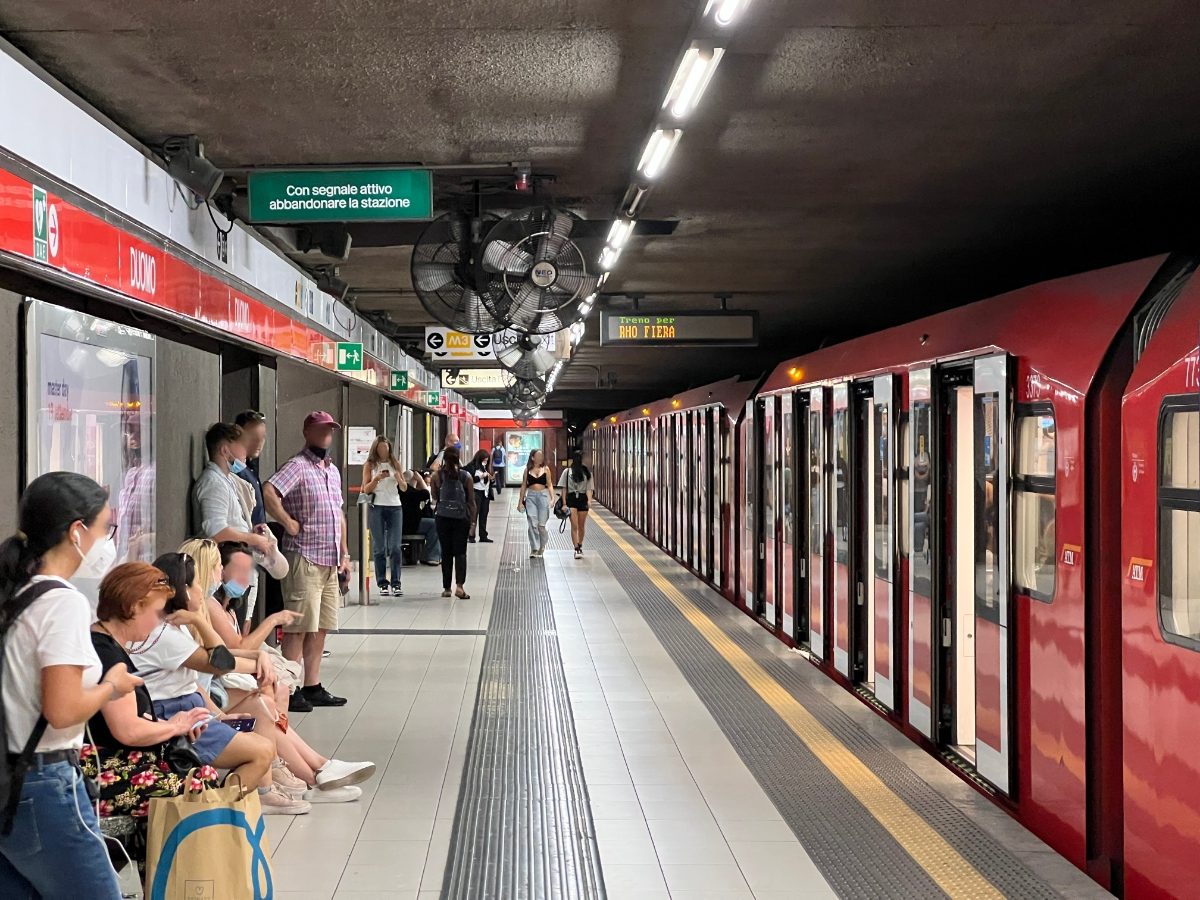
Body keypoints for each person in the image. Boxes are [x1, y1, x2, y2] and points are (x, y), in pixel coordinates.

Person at [0, 472, 142, 898]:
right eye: (105, 528)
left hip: (11, 778)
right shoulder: (62, 603)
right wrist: (111, 686)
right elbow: (61, 709)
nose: (106, 541)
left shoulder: (16, 593)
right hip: (44, 782)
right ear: (77, 531)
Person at [203, 543, 376, 803]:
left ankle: (313, 771)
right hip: (211, 688)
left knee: (276, 694)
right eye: (225, 569)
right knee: (264, 705)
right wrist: (272, 622)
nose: (243, 577)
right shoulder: (206, 607)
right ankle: (313, 774)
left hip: (216, 683)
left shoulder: (225, 608)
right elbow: (232, 651)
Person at [83, 563, 221, 868]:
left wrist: (175, 728)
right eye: (157, 613)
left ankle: (164, 878)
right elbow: (127, 730)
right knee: (199, 783)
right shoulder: (108, 655)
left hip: (110, 759)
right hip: (99, 767)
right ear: (134, 607)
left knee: (196, 774)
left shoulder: (109, 646)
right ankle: (177, 878)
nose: (159, 622)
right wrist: (174, 726)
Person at [146, 551, 304, 815]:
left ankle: (298, 774)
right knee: (261, 749)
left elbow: (195, 682)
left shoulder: (175, 626)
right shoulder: (167, 632)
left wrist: (218, 717)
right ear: (180, 589)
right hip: (176, 714)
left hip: (192, 706)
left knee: (266, 707)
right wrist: (199, 619)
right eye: (196, 584)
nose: (203, 590)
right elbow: (221, 660)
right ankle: (216, 809)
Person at [264, 411, 350, 713]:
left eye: (330, 430)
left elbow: (338, 514)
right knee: (298, 628)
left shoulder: (331, 470)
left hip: (328, 560)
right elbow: (269, 490)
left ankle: (312, 685)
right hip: (305, 557)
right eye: (321, 429)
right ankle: (289, 688)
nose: (327, 434)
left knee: (320, 627)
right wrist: (287, 522)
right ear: (307, 431)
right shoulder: (297, 466)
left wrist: (345, 554)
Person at [429, 448, 476, 600]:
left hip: (442, 518)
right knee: (460, 553)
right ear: (458, 458)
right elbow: (471, 501)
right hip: (461, 519)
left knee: (446, 553)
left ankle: (447, 588)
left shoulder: (437, 476)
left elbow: (435, 496)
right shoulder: (465, 476)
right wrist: (473, 523)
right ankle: (460, 587)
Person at [362, 436, 404, 596]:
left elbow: (404, 488)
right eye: (380, 448)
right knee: (379, 548)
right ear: (376, 449)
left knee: (395, 547)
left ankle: (396, 582)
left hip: (395, 507)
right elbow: (366, 489)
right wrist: (377, 479)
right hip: (377, 507)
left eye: (386, 448)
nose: (383, 451)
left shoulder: (395, 464)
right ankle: (382, 582)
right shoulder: (370, 465)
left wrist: (400, 480)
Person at [517, 449, 556, 558]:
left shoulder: (546, 469)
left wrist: (552, 498)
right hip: (531, 497)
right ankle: (534, 548)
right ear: (533, 458)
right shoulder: (527, 470)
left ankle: (542, 545)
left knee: (541, 525)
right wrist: (520, 502)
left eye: (541, 456)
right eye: (538, 456)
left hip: (543, 496)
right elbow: (524, 485)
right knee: (532, 523)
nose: (540, 458)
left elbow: (550, 484)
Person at [558, 449, 595, 559]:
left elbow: (589, 488)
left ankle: (580, 544)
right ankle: (576, 549)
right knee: (574, 525)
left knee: (581, 526)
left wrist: (589, 500)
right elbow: (564, 489)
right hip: (572, 499)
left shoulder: (587, 473)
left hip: (583, 499)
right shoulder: (567, 472)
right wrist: (564, 503)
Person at [401, 470, 442, 566]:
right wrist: (419, 480)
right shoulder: (410, 492)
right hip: (412, 525)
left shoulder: (397, 490)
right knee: (435, 524)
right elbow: (427, 495)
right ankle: (432, 556)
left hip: (399, 524)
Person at [465, 449, 494, 544]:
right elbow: (469, 480)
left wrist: (491, 479)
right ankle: (471, 535)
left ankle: (483, 535)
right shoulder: (472, 467)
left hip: (485, 493)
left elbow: (488, 481)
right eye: (484, 460)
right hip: (475, 492)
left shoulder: (486, 468)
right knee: (474, 515)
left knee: (484, 514)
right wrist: (480, 477)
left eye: (487, 460)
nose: (485, 462)